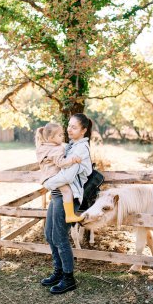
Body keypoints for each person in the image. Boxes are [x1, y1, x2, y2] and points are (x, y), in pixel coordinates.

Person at [40, 113, 93, 294]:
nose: (70, 130)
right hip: (58, 195)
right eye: (69, 126)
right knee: (49, 234)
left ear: (84, 130)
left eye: (74, 127)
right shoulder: (69, 145)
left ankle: (68, 278)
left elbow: (68, 176)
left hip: (68, 198)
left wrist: (47, 183)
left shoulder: (81, 149)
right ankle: (58, 271)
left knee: (60, 237)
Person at [35, 122, 83, 223]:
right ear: (51, 137)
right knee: (67, 191)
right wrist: (72, 160)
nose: (62, 137)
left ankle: (53, 194)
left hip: (47, 176)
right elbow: (61, 163)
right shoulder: (56, 149)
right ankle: (70, 215)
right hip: (53, 177)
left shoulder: (43, 146)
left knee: (64, 190)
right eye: (60, 135)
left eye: (63, 134)